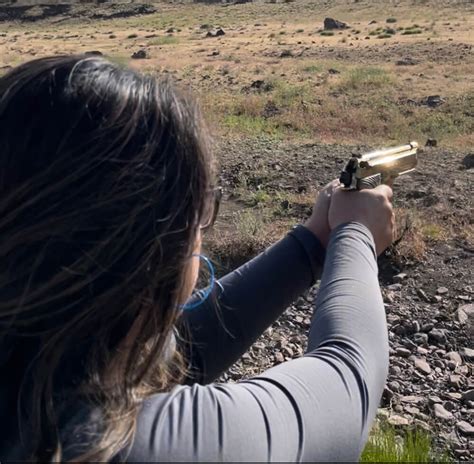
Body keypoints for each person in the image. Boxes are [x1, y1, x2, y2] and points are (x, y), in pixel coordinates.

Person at [0, 55, 394, 462]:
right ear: (151, 247)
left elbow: (175, 357)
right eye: (200, 211)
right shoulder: (130, 443)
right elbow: (350, 379)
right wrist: (357, 234)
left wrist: (313, 242)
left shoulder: (35, 365)